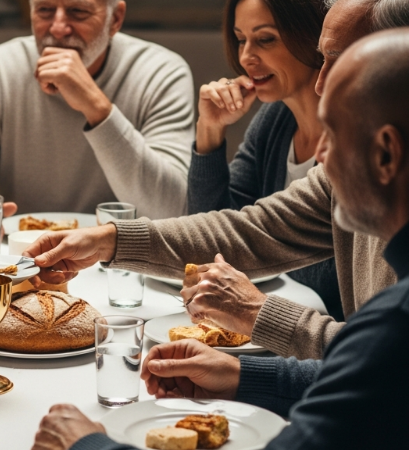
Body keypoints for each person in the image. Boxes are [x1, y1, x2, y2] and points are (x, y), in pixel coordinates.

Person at [31, 27, 409, 450]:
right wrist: (242, 377)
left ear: (386, 153)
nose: (319, 156)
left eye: (334, 135)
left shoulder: (394, 319)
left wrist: (87, 446)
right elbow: (252, 230)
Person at [0, 0, 195, 224]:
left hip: (123, 261)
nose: (58, 28)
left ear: (115, 19)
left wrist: (97, 107)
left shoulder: (161, 73)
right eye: (45, 10)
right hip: (22, 258)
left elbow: (172, 210)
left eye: (78, 11)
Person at [187, 0, 342, 320]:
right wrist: (209, 130)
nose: (246, 57)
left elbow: (331, 275)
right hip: (278, 323)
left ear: (313, 37)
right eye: (241, 39)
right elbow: (214, 240)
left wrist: (254, 259)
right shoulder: (275, 119)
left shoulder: (353, 135)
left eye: (266, 39)